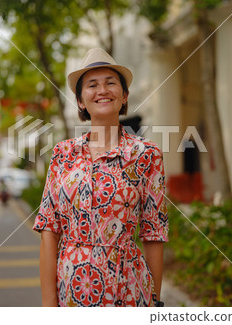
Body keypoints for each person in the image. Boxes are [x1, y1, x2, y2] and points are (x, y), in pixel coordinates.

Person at [33, 48, 169, 307]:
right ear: (81, 101)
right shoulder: (63, 154)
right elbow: (50, 230)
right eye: (92, 85)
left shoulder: (147, 155)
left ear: (124, 96)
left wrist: (155, 302)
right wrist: (49, 307)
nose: (102, 90)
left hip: (129, 291)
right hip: (72, 292)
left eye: (111, 83)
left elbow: (154, 233)